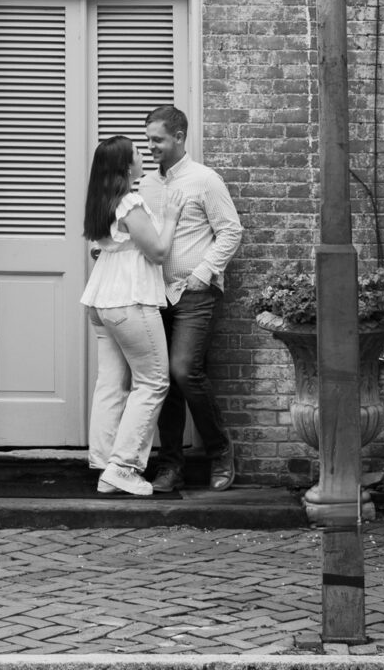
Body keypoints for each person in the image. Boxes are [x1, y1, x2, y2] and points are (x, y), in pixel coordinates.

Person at [140, 103, 244, 496]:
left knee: (184, 370)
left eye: (158, 140)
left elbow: (231, 231)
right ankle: (170, 466)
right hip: (155, 294)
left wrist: (203, 274)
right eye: (148, 140)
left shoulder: (205, 180)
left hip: (195, 293)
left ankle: (220, 450)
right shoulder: (148, 185)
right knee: (161, 380)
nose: (151, 147)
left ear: (179, 137)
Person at [81, 132, 173, 498]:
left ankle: (105, 463)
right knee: (152, 382)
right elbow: (158, 252)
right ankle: (124, 466)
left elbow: (104, 250)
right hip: (129, 302)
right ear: (125, 165)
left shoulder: (101, 202)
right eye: (137, 152)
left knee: (111, 383)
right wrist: (171, 216)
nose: (143, 155)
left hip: (102, 303)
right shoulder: (130, 202)